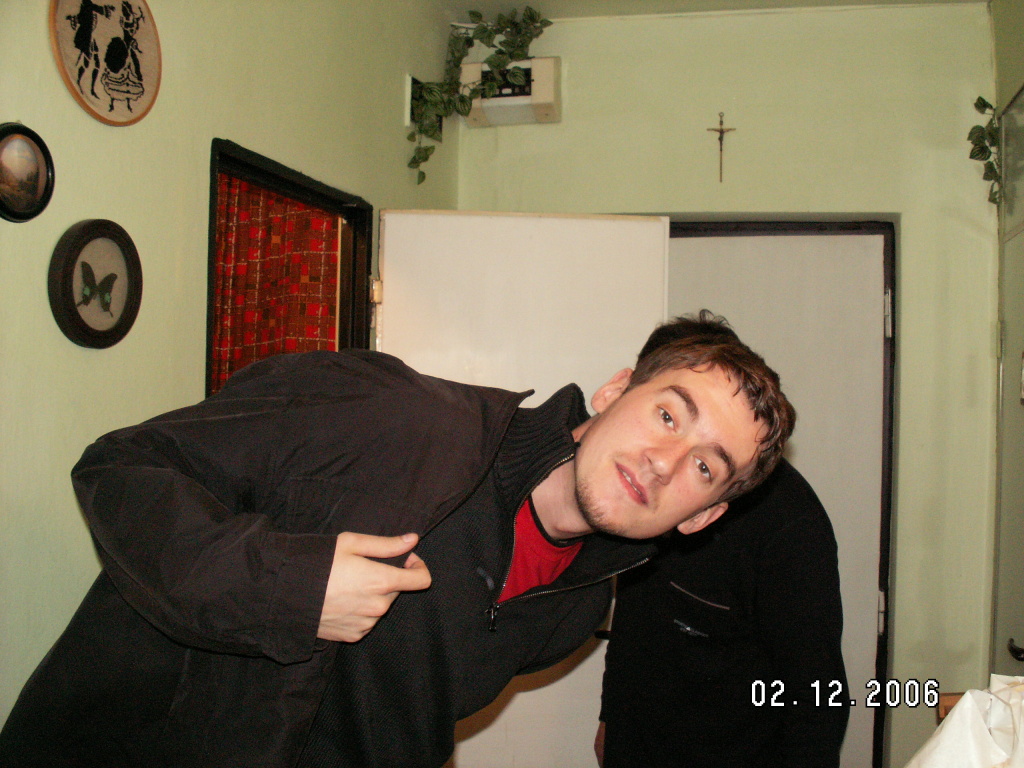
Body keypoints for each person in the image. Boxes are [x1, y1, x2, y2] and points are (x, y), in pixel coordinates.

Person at [0, 311, 794, 768]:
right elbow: (124, 466)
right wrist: (295, 586)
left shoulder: (576, 609)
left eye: (705, 467)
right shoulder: (400, 418)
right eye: (668, 413)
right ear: (617, 389)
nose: (663, 462)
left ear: (703, 517)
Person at [595, 315, 848, 768]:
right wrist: (609, 718)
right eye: (665, 413)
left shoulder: (791, 527)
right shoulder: (635, 499)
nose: (665, 457)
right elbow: (633, 623)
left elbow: (817, 691)